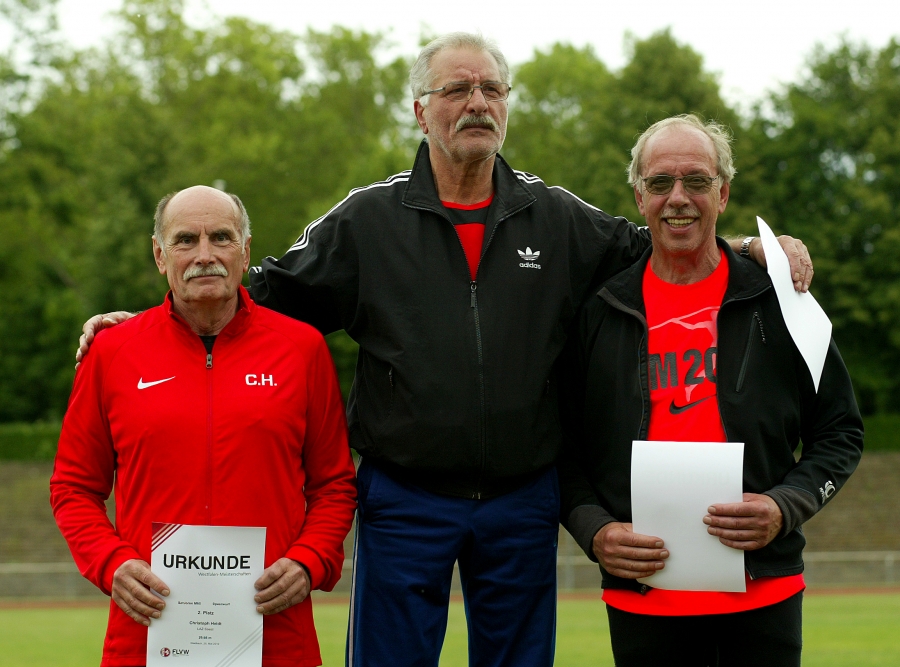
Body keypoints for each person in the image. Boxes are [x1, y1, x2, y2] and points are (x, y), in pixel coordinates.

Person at [76, 35, 813, 667]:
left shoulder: (555, 219)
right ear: (420, 110)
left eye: (492, 88)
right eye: (457, 88)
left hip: (524, 500)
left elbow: (654, 242)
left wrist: (754, 247)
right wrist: (145, 321)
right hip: (406, 500)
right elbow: (258, 288)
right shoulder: (368, 220)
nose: (477, 102)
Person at [557, 114, 863, 666]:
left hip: (764, 594)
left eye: (696, 181)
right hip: (643, 601)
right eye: (660, 183)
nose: (678, 198)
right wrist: (594, 530)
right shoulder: (600, 311)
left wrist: (783, 505)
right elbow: (563, 449)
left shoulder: (781, 302)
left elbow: (840, 433)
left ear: (722, 194)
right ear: (639, 195)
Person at [51, 186, 357, 667]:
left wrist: (308, 560)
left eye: (221, 237)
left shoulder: (302, 349)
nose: (205, 255)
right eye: (185, 240)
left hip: (276, 628)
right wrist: (113, 565)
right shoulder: (112, 354)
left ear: (246, 251)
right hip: (149, 628)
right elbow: (72, 487)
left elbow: (335, 485)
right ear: (159, 255)